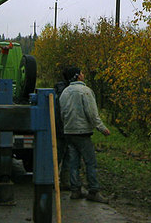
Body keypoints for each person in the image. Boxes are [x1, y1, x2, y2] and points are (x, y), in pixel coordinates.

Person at [59, 66, 111, 203]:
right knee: (90, 162)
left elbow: (62, 114)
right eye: (81, 72)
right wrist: (102, 128)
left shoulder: (64, 92)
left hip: (69, 131)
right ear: (77, 76)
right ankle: (93, 191)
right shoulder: (85, 91)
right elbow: (92, 114)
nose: (83, 74)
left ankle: (75, 190)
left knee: (73, 162)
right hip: (82, 132)